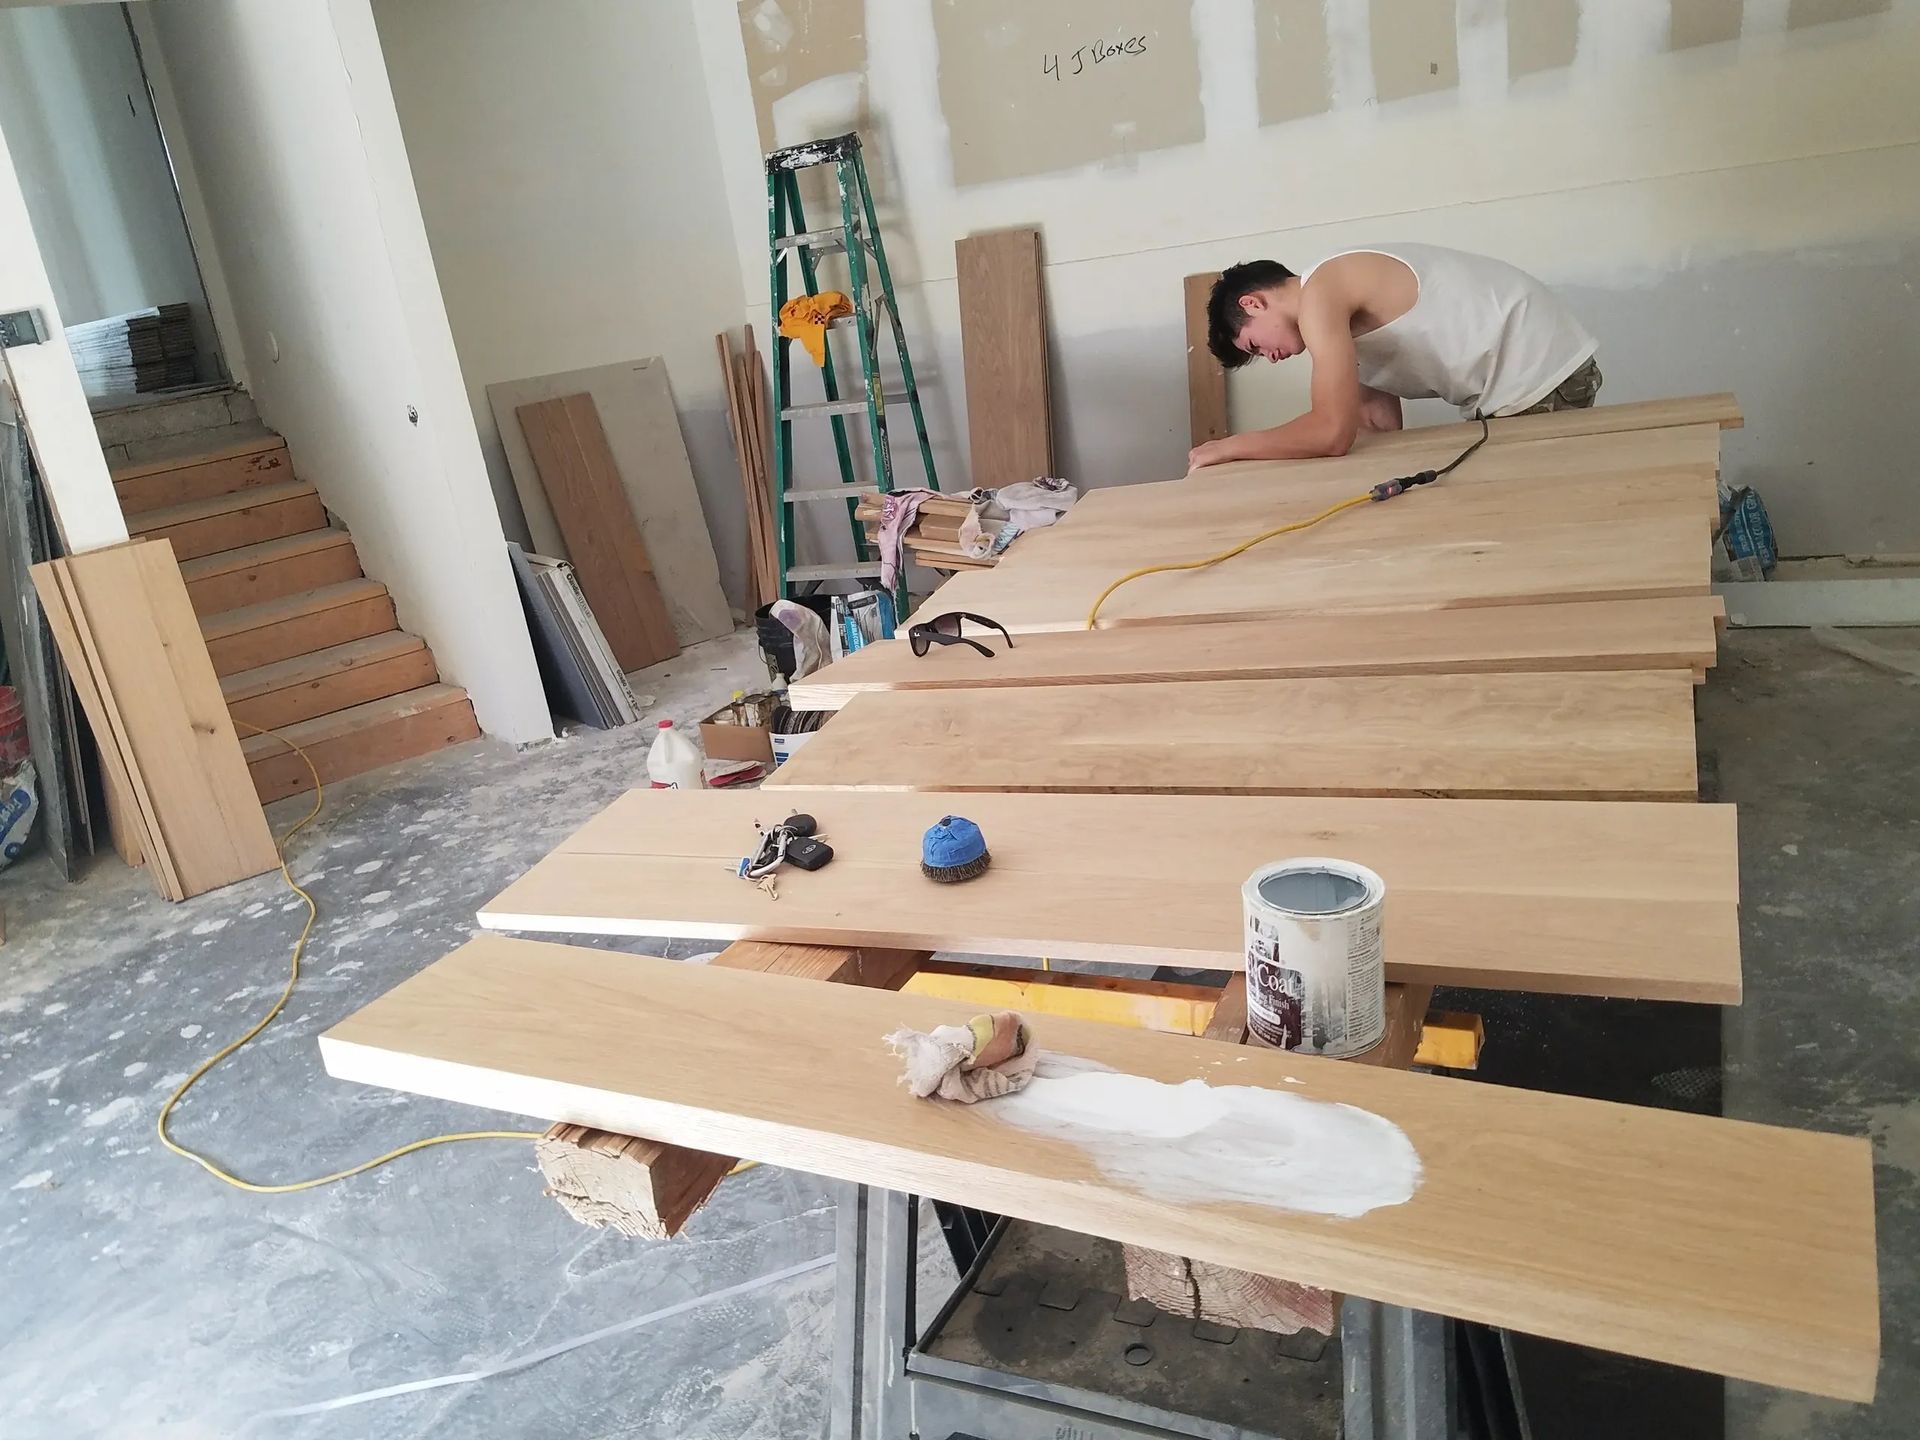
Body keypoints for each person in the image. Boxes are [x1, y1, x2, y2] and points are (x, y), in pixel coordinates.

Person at [1190, 243, 1600, 469]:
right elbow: (1372, 426)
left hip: (1537, 373)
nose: (1271, 357)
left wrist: (1231, 447)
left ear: (1254, 303)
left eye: (1254, 346)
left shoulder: (1321, 292)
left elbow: (1331, 432)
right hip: (1528, 376)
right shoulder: (1340, 322)